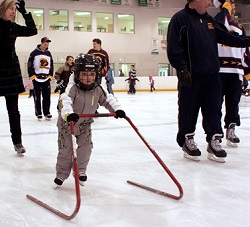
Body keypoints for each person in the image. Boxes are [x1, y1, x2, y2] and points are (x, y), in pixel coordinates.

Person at [167, 0, 250, 163]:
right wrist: (182, 68)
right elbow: (174, 47)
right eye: (207, 0)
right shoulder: (180, 19)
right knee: (188, 110)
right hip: (191, 75)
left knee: (213, 109)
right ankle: (187, 139)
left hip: (212, 75)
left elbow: (228, 37)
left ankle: (214, 140)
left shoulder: (209, 20)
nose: (210, 3)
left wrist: (247, 41)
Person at [54, 53, 126, 187]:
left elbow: (108, 99)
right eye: (84, 74)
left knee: (86, 147)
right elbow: (65, 102)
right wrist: (69, 114)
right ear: (77, 74)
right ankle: (61, 174)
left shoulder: (97, 89)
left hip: (84, 125)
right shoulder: (72, 88)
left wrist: (117, 110)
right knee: (66, 150)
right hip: (67, 124)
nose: (88, 78)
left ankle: (80, 171)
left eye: (92, 74)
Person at [0, 0, 37, 155]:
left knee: (13, 110)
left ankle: (17, 142)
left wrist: (25, 13)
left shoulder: (13, 27)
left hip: (11, 72)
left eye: (15, 9)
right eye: (11, 9)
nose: (13, 12)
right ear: (2, 9)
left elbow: (32, 30)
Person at [214, 0, 250, 147]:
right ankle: (215, 133)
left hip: (235, 72)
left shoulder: (240, 28)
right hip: (219, 71)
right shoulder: (218, 23)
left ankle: (231, 128)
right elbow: (222, 22)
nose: (233, 10)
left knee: (233, 103)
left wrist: (246, 72)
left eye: (233, 8)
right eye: (231, 8)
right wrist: (225, 10)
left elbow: (244, 50)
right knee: (215, 104)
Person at [28, 36, 54, 121]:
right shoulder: (34, 53)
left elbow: (51, 65)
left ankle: (47, 112)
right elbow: (29, 64)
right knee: (37, 97)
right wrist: (32, 75)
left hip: (46, 78)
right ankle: (38, 113)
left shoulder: (48, 53)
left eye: (47, 44)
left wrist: (50, 75)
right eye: (45, 44)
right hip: (36, 78)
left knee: (47, 97)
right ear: (42, 43)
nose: (46, 45)